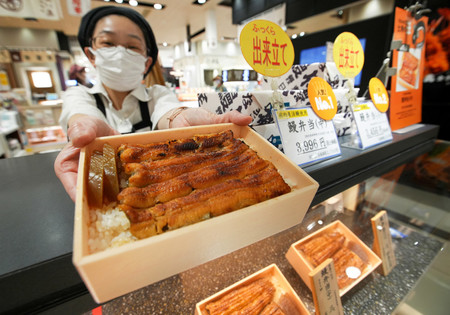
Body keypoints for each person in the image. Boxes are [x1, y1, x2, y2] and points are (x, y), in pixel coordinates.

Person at [54, 6, 252, 202]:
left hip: (162, 193)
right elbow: (79, 111)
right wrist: (85, 126)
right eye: (108, 43)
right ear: (91, 55)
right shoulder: (78, 94)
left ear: (146, 63)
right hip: (102, 192)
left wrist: (179, 117)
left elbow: (168, 109)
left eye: (132, 46)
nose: (120, 53)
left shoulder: (157, 94)